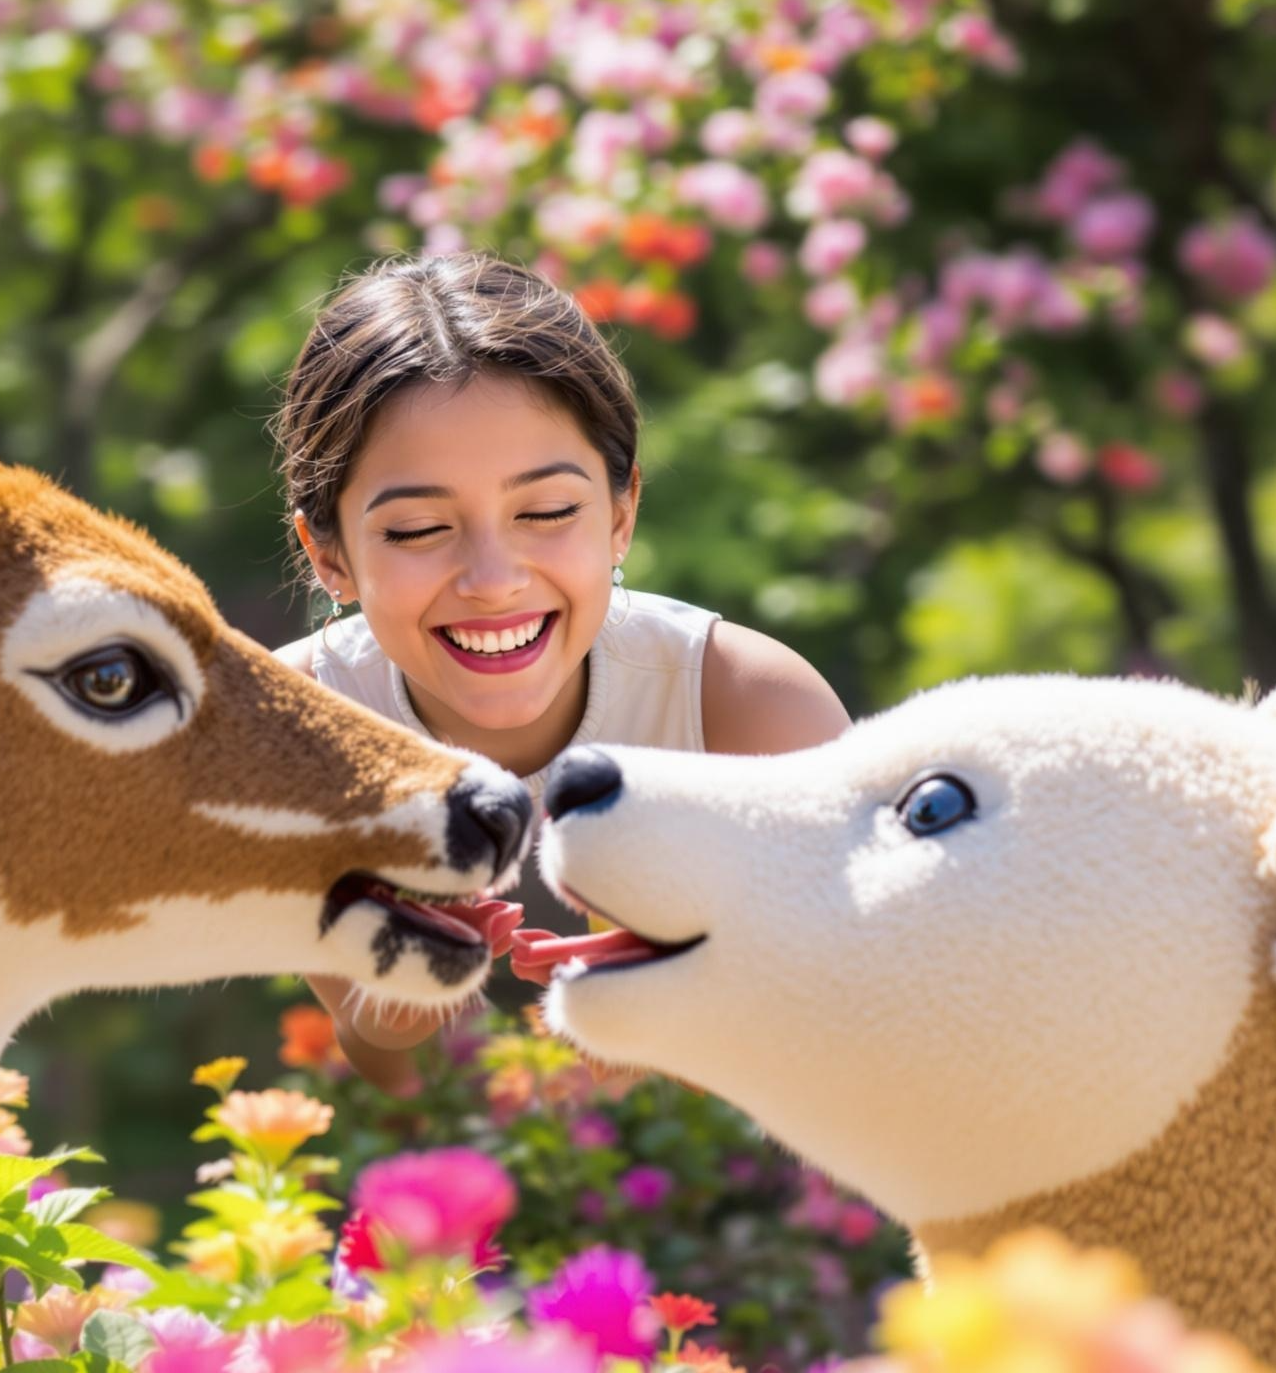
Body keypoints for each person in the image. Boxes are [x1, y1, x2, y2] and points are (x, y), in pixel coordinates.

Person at [272, 252, 850, 1090]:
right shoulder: (290, 729)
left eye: (546, 512)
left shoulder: (751, 711)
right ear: (327, 554)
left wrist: (697, 1003)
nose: (493, 579)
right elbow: (415, 1090)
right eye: (416, 529)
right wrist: (385, 1020)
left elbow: (870, 1036)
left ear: (622, 514)